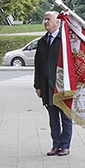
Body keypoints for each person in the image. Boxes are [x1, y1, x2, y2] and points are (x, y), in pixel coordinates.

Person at [34, 11, 72, 156]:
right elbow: (38, 66)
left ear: (58, 22)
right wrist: (37, 86)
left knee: (65, 117)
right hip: (47, 86)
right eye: (44, 19)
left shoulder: (64, 41)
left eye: (49, 19)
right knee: (53, 118)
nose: (46, 22)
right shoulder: (42, 42)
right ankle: (56, 145)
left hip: (62, 86)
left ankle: (65, 145)